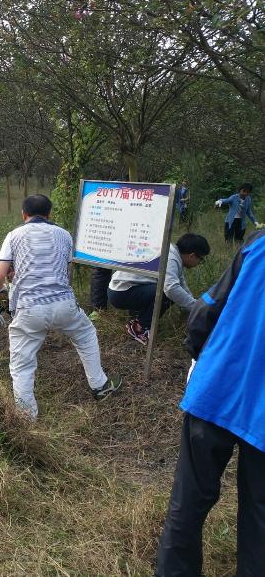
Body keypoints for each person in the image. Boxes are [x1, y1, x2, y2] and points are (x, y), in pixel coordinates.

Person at [155, 227, 265, 576]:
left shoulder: (258, 244)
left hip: (217, 388)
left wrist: (200, 355)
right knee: (261, 515)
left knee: (187, 502)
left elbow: (206, 309)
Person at [0, 194, 121, 419]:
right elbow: (64, 269)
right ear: (49, 213)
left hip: (29, 309)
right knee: (86, 334)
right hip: (63, 304)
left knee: (22, 365)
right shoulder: (64, 235)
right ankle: (100, 386)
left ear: (24, 214)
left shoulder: (14, 235)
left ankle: (27, 416)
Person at [107, 233, 210, 345]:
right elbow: (171, 288)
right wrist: (196, 308)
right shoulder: (170, 257)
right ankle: (140, 328)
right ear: (192, 256)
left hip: (123, 288)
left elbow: (181, 284)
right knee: (166, 292)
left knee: (168, 289)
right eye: (201, 259)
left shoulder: (172, 252)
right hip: (121, 292)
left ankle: (139, 320)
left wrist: (196, 306)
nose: (199, 263)